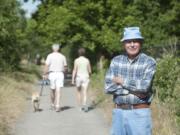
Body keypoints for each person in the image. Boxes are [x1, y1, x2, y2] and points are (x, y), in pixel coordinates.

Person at [105, 27, 156, 135]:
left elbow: (144, 86)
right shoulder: (116, 61)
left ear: (140, 43)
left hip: (140, 114)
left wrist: (122, 81)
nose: (132, 44)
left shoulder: (149, 62)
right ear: (124, 44)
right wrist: (133, 91)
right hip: (118, 113)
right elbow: (108, 87)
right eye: (128, 41)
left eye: (135, 41)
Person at [43, 44, 67, 112]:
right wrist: (64, 74)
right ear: (58, 49)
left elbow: (46, 66)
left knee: (52, 90)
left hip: (52, 74)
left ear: (52, 49)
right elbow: (65, 67)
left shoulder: (49, 56)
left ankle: (53, 104)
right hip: (60, 74)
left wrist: (45, 74)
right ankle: (57, 105)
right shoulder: (62, 56)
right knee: (58, 90)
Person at [72, 48, 92, 112]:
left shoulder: (76, 60)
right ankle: (85, 105)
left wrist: (72, 79)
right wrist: (90, 76)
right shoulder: (87, 60)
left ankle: (80, 107)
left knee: (78, 92)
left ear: (78, 53)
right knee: (85, 92)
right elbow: (90, 71)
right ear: (84, 53)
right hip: (86, 77)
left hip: (78, 77)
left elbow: (74, 70)